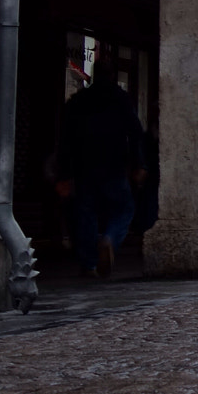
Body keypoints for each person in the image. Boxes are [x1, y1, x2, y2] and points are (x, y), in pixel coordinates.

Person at [56, 61, 146, 278]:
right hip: (114, 162)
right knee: (123, 208)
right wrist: (139, 163)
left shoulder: (79, 100)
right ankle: (109, 239)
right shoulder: (121, 99)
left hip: (84, 164)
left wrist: (64, 174)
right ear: (113, 76)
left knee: (86, 212)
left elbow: (65, 139)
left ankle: (89, 264)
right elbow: (135, 132)